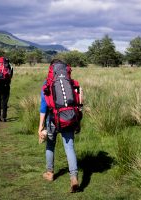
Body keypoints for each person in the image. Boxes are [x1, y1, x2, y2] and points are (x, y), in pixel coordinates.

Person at [38, 59, 82, 193]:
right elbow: (79, 103)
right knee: (69, 147)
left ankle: (50, 173)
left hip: (52, 119)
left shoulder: (47, 84)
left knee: (50, 145)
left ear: (52, 70)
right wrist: (78, 122)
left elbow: (43, 107)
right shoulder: (71, 83)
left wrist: (40, 127)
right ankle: (73, 177)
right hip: (69, 118)